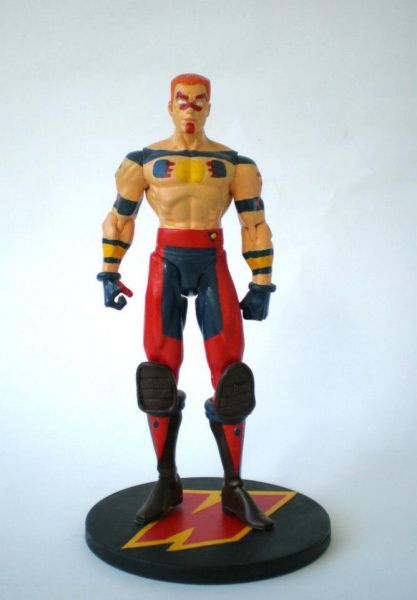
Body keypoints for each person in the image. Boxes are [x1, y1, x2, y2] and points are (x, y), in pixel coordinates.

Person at [97, 73, 276, 530]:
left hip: (212, 261)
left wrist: (261, 282)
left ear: (210, 106)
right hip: (167, 263)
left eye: (199, 101)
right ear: (170, 105)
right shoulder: (143, 161)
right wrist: (109, 272)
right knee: (158, 374)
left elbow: (254, 223)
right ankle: (166, 480)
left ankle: (233, 488)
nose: (191, 108)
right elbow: (120, 218)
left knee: (231, 377)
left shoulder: (235, 164)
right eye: (183, 100)